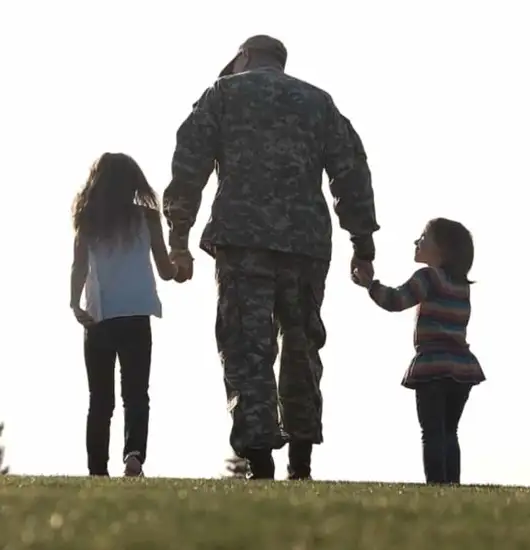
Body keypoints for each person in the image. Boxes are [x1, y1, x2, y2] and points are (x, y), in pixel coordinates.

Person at [162, 35, 380, 480]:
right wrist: (362, 244)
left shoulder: (223, 94)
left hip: (243, 242)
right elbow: (351, 171)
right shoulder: (319, 103)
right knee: (301, 348)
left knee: (247, 349)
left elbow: (188, 167)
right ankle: (301, 460)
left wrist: (179, 239)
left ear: (243, 57)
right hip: (305, 246)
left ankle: (260, 459)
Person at [353, 217, 485, 485]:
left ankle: (436, 485)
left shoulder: (429, 277)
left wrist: (371, 286)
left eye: (424, 238)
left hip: (433, 367)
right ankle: (452, 485)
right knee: (449, 431)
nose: (417, 242)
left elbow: (396, 300)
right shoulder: (461, 287)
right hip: (462, 367)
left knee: (432, 431)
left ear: (442, 250)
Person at [70, 152, 178, 477]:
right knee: (135, 393)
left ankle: (96, 469)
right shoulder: (147, 217)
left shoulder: (87, 218)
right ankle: (133, 455)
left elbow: (79, 266)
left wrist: (74, 303)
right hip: (136, 312)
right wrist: (180, 268)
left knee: (99, 399)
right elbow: (165, 269)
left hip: (99, 316)